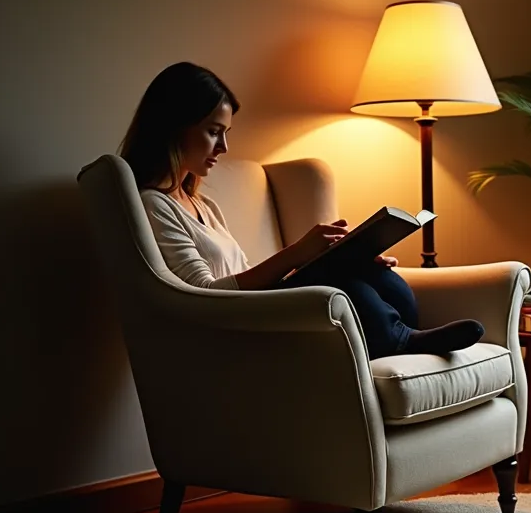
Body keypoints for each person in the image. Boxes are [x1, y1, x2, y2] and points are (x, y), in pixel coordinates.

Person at [119, 61, 483, 358]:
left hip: (252, 307)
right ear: (174, 127)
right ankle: (403, 340)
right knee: (339, 285)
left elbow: (245, 274)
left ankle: (403, 331)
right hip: (231, 326)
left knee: (364, 270)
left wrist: (343, 254)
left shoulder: (203, 204)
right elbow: (205, 292)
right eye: (214, 132)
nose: (224, 146)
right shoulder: (154, 205)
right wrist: (298, 253)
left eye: (226, 132)